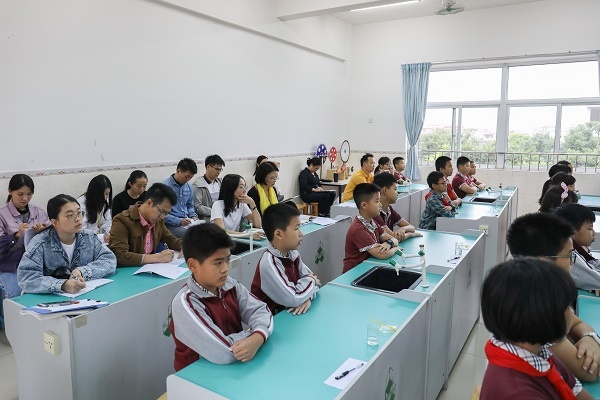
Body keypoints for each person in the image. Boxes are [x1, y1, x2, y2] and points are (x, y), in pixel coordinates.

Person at [480, 258, 592, 400]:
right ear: (542, 315)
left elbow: (578, 392)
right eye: (566, 306)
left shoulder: (538, 352)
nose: (571, 312)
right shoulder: (518, 393)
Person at [507, 212, 600, 382]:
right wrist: (591, 342)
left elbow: (577, 323)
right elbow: (588, 372)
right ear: (545, 262)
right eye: (569, 255)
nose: (572, 263)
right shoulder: (536, 310)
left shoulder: (541, 291)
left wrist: (589, 338)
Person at [169, 224, 273, 370]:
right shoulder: (185, 302)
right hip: (199, 375)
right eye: (218, 263)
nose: (225, 269)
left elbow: (262, 310)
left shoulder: (229, 285)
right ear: (193, 265)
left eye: (227, 260)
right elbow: (224, 352)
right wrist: (253, 333)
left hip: (236, 367)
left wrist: (258, 336)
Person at [17, 194, 116, 294]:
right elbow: (27, 278)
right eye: (70, 216)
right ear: (54, 222)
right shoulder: (40, 243)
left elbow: (109, 260)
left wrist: (82, 271)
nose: (77, 219)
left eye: (79, 213)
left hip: (84, 296)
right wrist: (63, 285)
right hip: (50, 299)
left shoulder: (89, 237)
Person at [251, 203, 320, 315]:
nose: (301, 234)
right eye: (296, 228)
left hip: (288, 315)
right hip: (269, 320)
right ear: (279, 234)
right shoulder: (269, 263)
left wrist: (307, 298)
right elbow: (293, 298)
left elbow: (316, 283)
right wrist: (310, 283)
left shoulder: (293, 254)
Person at [109, 183, 183, 266]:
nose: (162, 216)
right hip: (129, 270)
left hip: (150, 269)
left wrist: (185, 246)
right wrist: (156, 257)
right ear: (149, 203)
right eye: (161, 211)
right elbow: (119, 255)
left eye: (166, 213)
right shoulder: (122, 220)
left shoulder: (158, 220)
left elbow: (170, 239)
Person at [0, 174, 49, 298]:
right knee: (16, 295)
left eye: (29, 194)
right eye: (20, 194)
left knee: (48, 288)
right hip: (10, 264)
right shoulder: (2, 214)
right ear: (10, 191)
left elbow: (51, 236)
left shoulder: (39, 211)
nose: (25, 199)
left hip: (37, 261)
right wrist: (16, 235)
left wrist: (43, 232)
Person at [343, 183, 399, 273]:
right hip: (354, 273)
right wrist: (395, 249)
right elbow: (382, 254)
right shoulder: (358, 229)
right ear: (364, 205)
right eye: (377, 201)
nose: (380, 205)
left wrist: (389, 243)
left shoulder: (372, 222)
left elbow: (394, 239)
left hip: (367, 268)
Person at [555, 204, 600, 290]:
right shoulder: (566, 253)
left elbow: (591, 265)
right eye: (590, 229)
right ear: (572, 230)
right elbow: (594, 280)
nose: (594, 233)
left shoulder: (573, 249)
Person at [373, 173, 420, 242]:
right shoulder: (375, 212)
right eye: (395, 189)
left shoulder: (389, 209)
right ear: (385, 190)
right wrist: (410, 234)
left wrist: (403, 229)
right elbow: (393, 238)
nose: (397, 193)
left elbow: (411, 227)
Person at [163, 158, 199, 238]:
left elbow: (190, 205)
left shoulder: (188, 186)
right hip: (171, 225)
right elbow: (162, 214)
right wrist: (179, 221)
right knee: (193, 236)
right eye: (186, 176)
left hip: (187, 221)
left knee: (206, 232)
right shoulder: (165, 187)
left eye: (190, 177)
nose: (188, 179)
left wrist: (193, 216)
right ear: (178, 171)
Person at [78, 174, 113, 241]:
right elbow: (81, 231)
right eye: (104, 194)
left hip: (103, 238)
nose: (105, 198)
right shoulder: (81, 205)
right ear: (95, 193)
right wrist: (101, 237)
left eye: (107, 194)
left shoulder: (105, 201)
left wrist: (108, 232)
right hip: (88, 240)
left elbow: (107, 222)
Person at [193, 154, 225, 222]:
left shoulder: (221, 182)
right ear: (208, 167)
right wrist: (215, 212)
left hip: (222, 214)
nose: (218, 172)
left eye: (220, 169)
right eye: (216, 169)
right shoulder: (198, 185)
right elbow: (197, 206)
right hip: (208, 217)